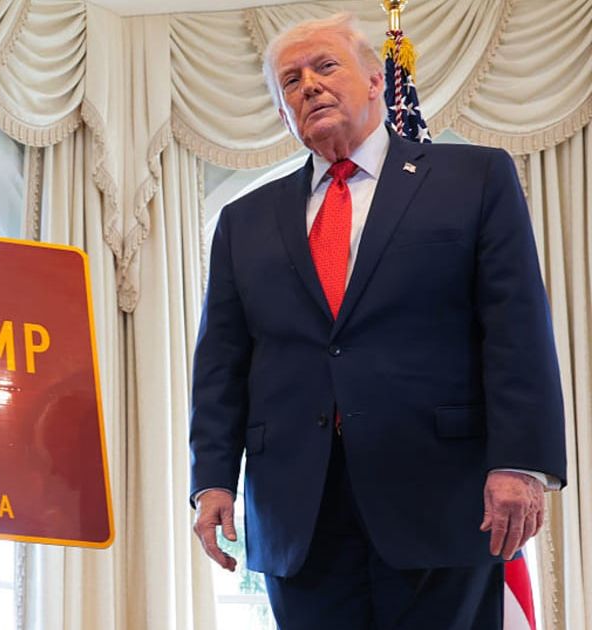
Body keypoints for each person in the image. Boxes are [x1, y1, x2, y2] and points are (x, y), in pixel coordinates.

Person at [188, 13, 566, 629]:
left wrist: (519, 462)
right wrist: (211, 480)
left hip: (441, 498)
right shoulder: (243, 221)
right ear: (283, 114)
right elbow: (221, 363)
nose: (308, 85)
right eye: (290, 80)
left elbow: (516, 330)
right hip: (297, 511)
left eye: (325, 66)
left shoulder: (474, 179)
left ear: (373, 81)